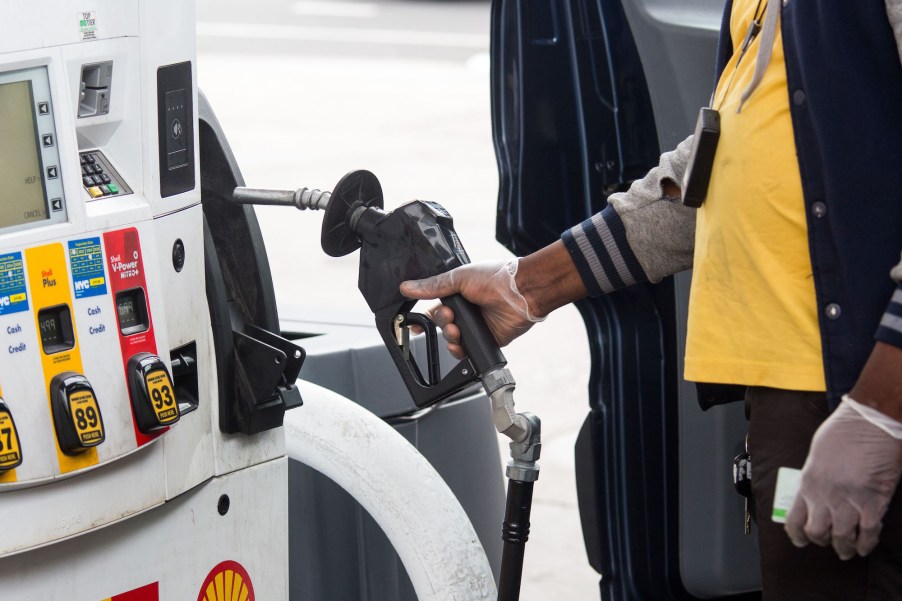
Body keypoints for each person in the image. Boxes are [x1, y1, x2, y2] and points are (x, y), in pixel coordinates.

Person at [401, 1, 902, 599]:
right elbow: (713, 169)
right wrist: (525, 286)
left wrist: (881, 410)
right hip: (794, 410)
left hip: (859, 395)